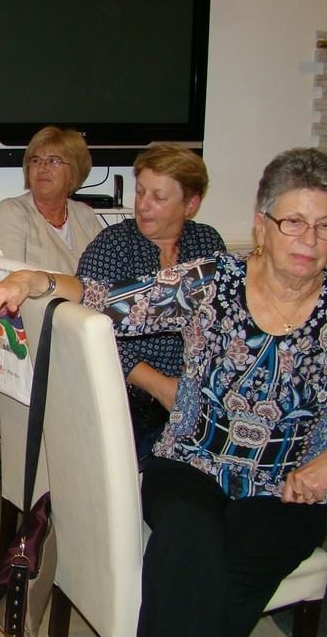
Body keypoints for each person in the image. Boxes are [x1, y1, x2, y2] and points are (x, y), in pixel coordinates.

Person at [0, 147, 327, 637]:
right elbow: (105, 298)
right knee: (187, 541)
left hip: (288, 491)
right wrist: (33, 281)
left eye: (325, 226)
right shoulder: (212, 282)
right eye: (294, 222)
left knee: (198, 577)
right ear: (262, 224)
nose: (309, 239)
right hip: (189, 464)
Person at [76, 144, 225, 462]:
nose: (143, 205)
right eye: (141, 192)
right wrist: (160, 386)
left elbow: (220, 324)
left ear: (191, 204)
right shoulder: (113, 246)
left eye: (158, 197)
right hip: (128, 394)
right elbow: (87, 331)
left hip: (193, 389)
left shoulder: (207, 243)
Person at [0, 126, 102, 272]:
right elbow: (9, 280)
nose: (42, 167)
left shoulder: (85, 214)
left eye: (53, 161)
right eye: (35, 160)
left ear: (74, 172)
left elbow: (107, 274)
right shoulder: (10, 213)